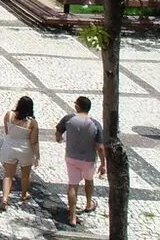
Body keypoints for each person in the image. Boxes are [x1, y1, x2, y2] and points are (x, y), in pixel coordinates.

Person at [56, 95, 107, 226]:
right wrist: (103, 163)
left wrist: (59, 139)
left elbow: (58, 132)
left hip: (71, 157)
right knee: (89, 180)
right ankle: (89, 203)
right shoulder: (95, 124)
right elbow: (100, 147)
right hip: (88, 159)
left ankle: (72, 216)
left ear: (77, 106)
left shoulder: (68, 119)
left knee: (72, 185)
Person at [0, 95, 40, 211]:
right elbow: (34, 141)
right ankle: (24, 194)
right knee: (25, 175)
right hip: (25, 149)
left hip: (10, 146)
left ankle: (5, 198)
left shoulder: (9, 115)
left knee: (8, 175)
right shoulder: (32, 122)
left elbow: (7, 130)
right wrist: (37, 155)